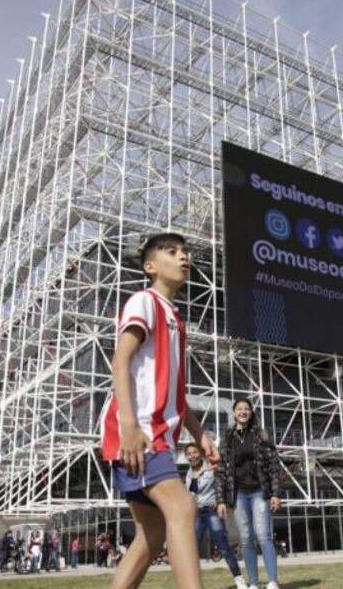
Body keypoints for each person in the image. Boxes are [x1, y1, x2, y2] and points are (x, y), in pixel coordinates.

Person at [101, 232, 218, 589]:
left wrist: (199, 433)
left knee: (151, 535)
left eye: (185, 252)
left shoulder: (175, 318)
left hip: (157, 435)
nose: (183, 257)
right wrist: (130, 426)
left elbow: (175, 394)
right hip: (140, 434)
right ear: (151, 266)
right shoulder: (144, 301)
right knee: (183, 508)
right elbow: (120, 361)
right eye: (172, 252)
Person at [215, 398, 283, 589]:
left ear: (251, 413)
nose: (243, 412)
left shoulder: (261, 434)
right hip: (238, 494)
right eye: (239, 409)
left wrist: (276, 493)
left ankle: (272, 581)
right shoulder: (227, 437)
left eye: (246, 409)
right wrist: (221, 499)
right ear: (234, 413)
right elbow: (221, 470)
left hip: (259, 491)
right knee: (245, 538)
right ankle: (253, 583)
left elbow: (274, 465)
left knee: (263, 535)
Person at [184, 443, 247, 588]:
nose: (192, 456)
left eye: (195, 452)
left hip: (211, 511)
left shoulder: (211, 468)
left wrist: (220, 500)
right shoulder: (188, 474)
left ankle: (239, 579)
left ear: (200, 454)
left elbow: (224, 482)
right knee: (192, 548)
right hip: (197, 514)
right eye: (189, 454)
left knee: (223, 545)